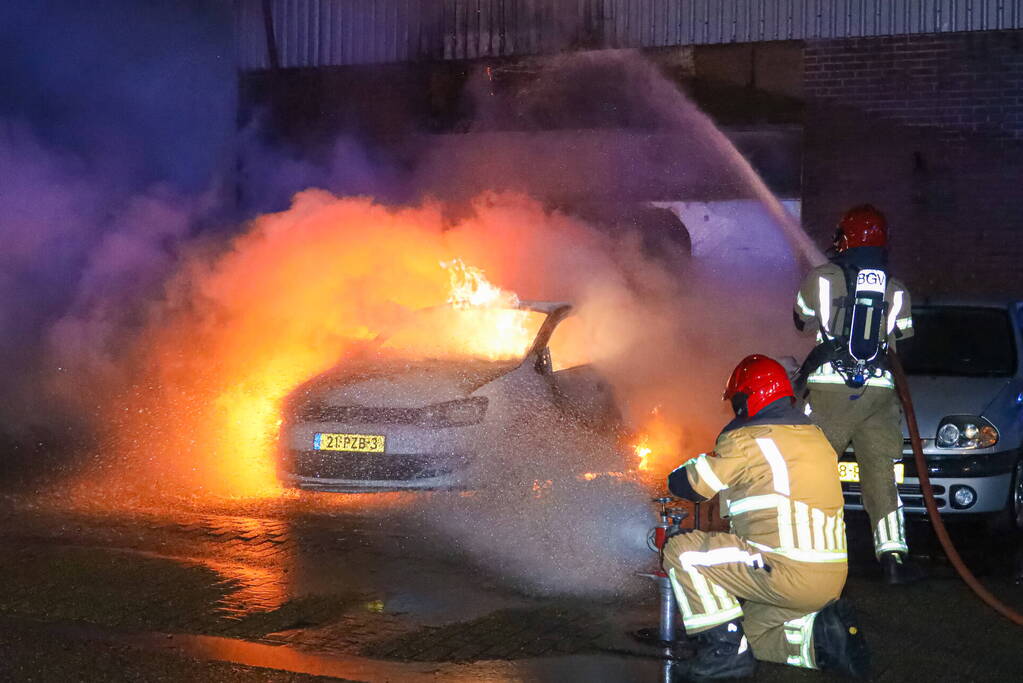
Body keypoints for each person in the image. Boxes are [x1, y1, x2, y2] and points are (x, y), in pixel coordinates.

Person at [664, 354, 867, 680]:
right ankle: (823, 641)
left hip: (783, 570)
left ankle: (723, 654)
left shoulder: (747, 439)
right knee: (754, 638)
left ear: (750, 398)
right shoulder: (817, 439)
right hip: (829, 578)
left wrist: (675, 474)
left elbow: (695, 484)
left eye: (737, 400)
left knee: (682, 552)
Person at [793, 204, 920, 584]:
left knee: (814, 471)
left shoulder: (821, 278)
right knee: (881, 474)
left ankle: (811, 553)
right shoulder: (897, 290)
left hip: (831, 389)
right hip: (880, 393)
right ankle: (893, 557)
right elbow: (903, 342)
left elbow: (800, 320)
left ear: (845, 238)